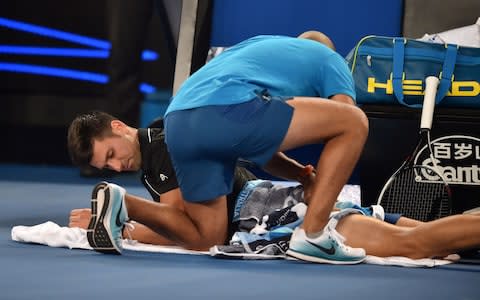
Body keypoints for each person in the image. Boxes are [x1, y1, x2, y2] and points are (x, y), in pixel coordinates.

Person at [67, 111, 480, 262]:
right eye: (106, 166)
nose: (116, 165)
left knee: (417, 244)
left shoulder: (160, 149)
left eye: (110, 154)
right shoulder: (160, 144)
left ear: (119, 128)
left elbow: (185, 227)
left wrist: (124, 223)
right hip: (282, 200)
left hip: (270, 213)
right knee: (432, 241)